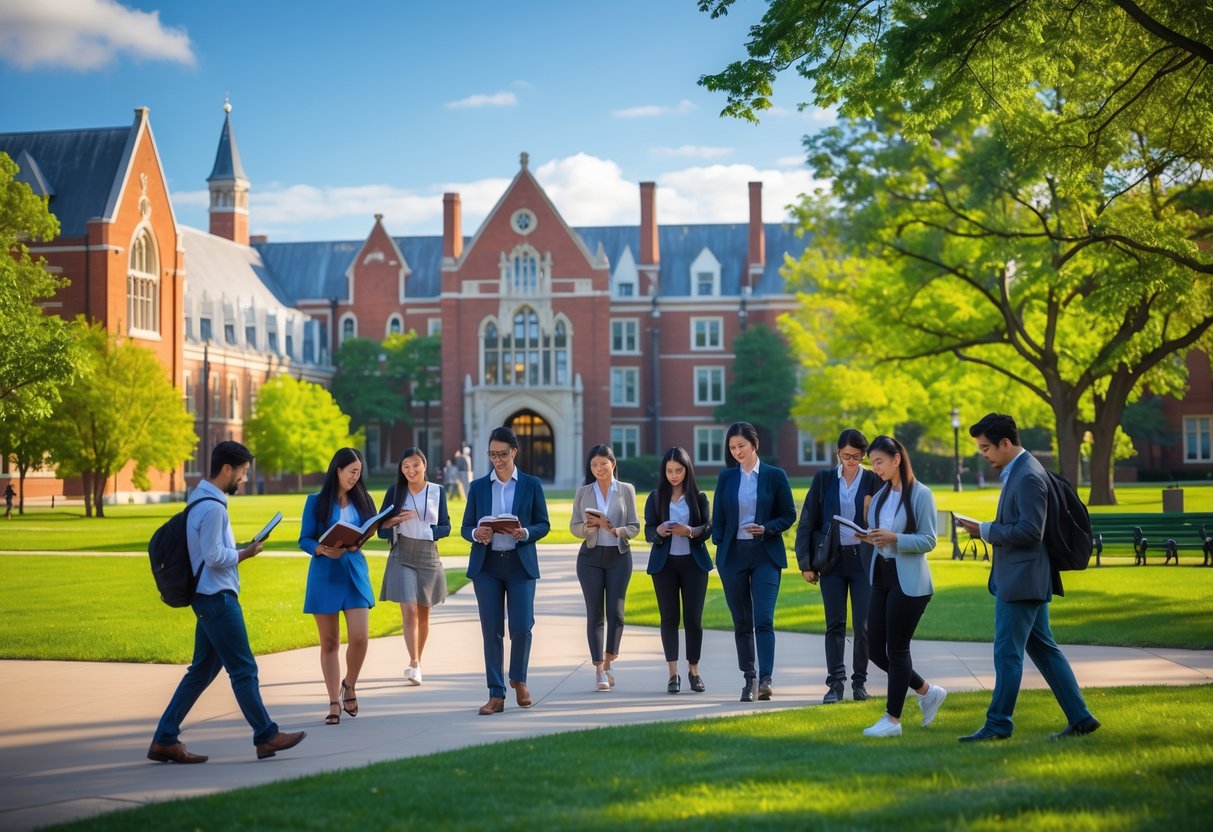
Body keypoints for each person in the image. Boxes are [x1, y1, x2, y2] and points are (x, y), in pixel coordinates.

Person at [149, 441, 306, 762]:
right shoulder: (213, 508)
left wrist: (238, 550)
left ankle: (165, 738)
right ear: (227, 469)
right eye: (243, 472)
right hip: (217, 598)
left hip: (208, 597)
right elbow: (214, 556)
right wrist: (246, 553)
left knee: (202, 672)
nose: (244, 479)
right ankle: (266, 735)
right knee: (244, 669)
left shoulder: (201, 500)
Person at [956, 413, 1100, 742]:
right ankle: (1081, 717)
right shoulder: (1021, 471)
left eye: (986, 448)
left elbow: (1031, 531)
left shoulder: (1027, 476)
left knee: (1007, 654)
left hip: (1023, 581)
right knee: (1045, 650)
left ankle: (998, 724)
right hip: (1027, 578)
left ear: (1006, 443)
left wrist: (985, 530)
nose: (984, 455)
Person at [860, 435, 947, 738]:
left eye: (879, 461)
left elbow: (930, 539)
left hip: (910, 581)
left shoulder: (921, 494)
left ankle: (892, 720)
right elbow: (877, 534)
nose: (876, 468)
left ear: (897, 458)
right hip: (881, 575)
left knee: (897, 649)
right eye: (872, 463)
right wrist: (868, 533)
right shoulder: (881, 495)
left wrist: (896, 539)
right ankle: (928, 692)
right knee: (875, 650)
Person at [461, 426, 550, 715]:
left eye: (502, 454)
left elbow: (543, 524)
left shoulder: (531, 484)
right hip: (487, 565)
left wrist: (525, 532)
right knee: (492, 631)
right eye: (492, 454)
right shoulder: (477, 487)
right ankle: (496, 694)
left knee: (522, 627)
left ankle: (519, 679)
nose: (496, 460)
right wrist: (477, 533)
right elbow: (465, 527)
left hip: (519, 565)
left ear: (514, 451)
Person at [711, 421, 796, 702]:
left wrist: (767, 528)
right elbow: (719, 519)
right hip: (733, 557)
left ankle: (766, 679)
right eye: (732, 447)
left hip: (765, 555)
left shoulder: (775, 475)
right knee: (742, 622)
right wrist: (722, 546)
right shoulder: (726, 478)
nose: (737, 451)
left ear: (754, 445)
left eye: (741, 446)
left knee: (763, 618)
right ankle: (749, 678)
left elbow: (788, 514)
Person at [794, 429, 880, 703]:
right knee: (835, 624)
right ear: (838, 454)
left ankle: (859, 682)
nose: (851, 461)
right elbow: (808, 521)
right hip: (831, 559)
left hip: (863, 560)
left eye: (856, 456)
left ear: (863, 455)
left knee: (863, 625)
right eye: (846, 456)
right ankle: (835, 683)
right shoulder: (824, 479)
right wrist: (806, 563)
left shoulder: (873, 479)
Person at [298, 448, 377, 725]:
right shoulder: (316, 501)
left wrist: (359, 541)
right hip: (325, 573)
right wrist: (321, 548)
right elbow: (304, 539)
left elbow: (369, 529)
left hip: (354, 573)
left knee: (360, 637)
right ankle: (333, 701)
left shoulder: (363, 499)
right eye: (351, 471)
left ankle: (350, 684)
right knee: (329, 641)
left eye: (359, 472)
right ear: (338, 470)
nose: (356, 477)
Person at [570, 444, 640, 691]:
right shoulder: (583, 492)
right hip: (589, 557)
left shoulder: (626, 490)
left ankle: (610, 662)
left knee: (616, 614)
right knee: (595, 613)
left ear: (613, 464)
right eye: (593, 465)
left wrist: (614, 529)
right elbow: (574, 526)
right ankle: (599, 669)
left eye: (603, 464)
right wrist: (587, 528)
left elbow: (634, 526)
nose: (598, 469)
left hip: (619, 557)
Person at [377, 447, 450, 685]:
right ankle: (414, 663)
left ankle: (418, 659)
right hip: (402, 554)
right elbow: (380, 530)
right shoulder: (395, 492)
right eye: (406, 466)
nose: (411, 470)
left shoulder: (437, 492)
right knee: (408, 611)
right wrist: (394, 520)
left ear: (425, 465)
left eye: (415, 465)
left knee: (423, 614)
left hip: (428, 556)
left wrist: (432, 532)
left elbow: (447, 526)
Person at [644, 446, 713, 694]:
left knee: (693, 619)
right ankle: (673, 674)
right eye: (670, 471)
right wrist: (659, 532)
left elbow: (708, 527)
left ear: (687, 470)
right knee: (669, 619)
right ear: (664, 472)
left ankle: (694, 671)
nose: (674, 475)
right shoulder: (655, 497)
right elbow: (648, 531)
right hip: (665, 565)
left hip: (694, 565)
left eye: (679, 470)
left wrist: (691, 531)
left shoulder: (699, 497)